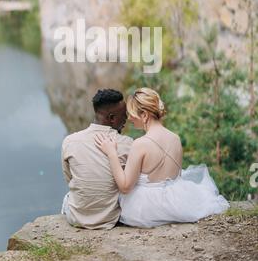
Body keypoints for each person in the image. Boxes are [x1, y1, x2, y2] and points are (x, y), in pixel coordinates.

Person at [95, 87, 229, 228]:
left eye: (132, 114)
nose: (129, 118)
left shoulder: (140, 144)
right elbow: (176, 176)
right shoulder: (175, 138)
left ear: (145, 115)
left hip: (148, 207)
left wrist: (111, 153)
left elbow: (125, 186)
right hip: (177, 201)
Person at [61, 89, 133, 229]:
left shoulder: (70, 141)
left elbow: (70, 179)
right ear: (112, 118)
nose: (127, 119)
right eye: (124, 115)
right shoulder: (127, 144)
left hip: (76, 218)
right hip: (110, 218)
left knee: (68, 197)